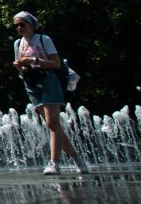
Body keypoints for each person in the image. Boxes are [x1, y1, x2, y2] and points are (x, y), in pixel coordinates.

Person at [11, 11, 89, 175]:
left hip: (48, 80)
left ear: (30, 24)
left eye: (22, 24)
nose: (19, 28)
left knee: (52, 122)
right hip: (31, 83)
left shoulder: (43, 39)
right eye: (16, 25)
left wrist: (33, 60)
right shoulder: (18, 43)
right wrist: (19, 65)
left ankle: (54, 163)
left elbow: (56, 63)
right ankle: (78, 159)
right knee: (52, 124)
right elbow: (19, 66)